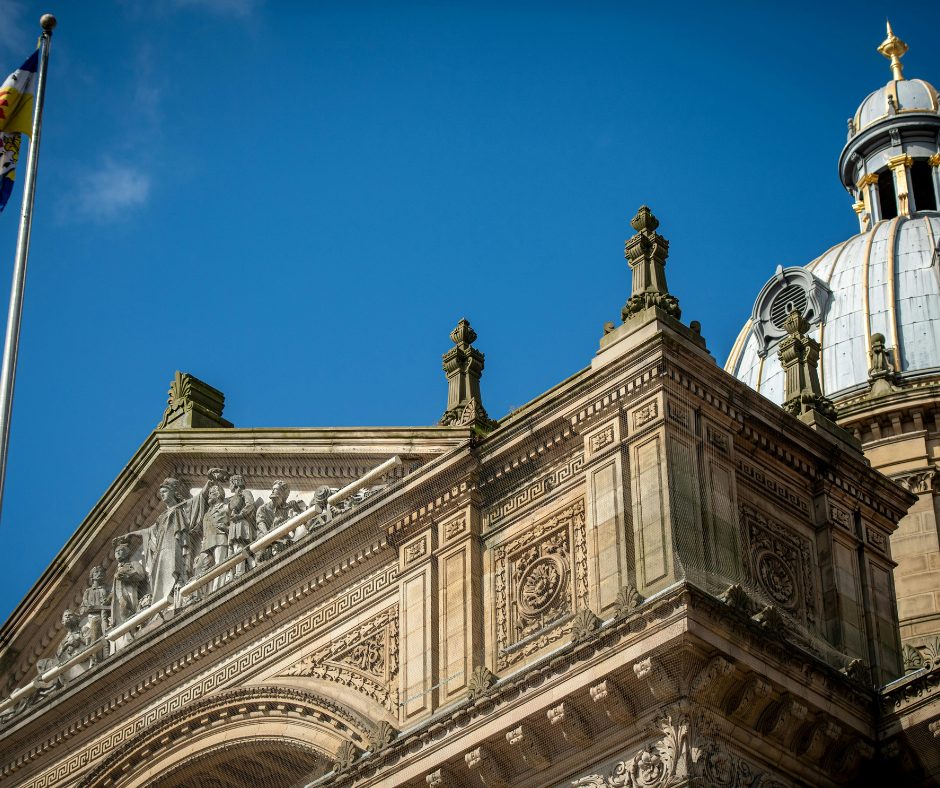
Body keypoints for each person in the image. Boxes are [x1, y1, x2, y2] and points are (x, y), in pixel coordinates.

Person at [111, 536, 147, 649]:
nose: (118, 553)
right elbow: (114, 590)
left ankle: (133, 632)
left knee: (128, 610)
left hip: (131, 592)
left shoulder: (133, 563)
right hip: (119, 597)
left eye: (121, 550)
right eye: (117, 551)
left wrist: (127, 575)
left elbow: (141, 575)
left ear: (127, 553)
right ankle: (128, 635)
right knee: (123, 612)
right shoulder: (116, 570)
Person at [255, 480, 305, 557]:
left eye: (278, 498)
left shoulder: (286, 508)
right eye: (274, 498)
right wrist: (268, 535)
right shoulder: (263, 508)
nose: (276, 501)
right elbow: (261, 523)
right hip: (265, 542)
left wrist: (297, 509)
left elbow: (297, 524)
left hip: (281, 538)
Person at [227, 475, 256, 577]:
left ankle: (240, 571)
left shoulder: (245, 493)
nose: (229, 486)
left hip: (241, 523)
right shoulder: (232, 498)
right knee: (231, 549)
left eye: (230, 483)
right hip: (233, 524)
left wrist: (240, 515)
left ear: (235, 483)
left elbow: (250, 505)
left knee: (240, 546)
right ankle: (230, 574)